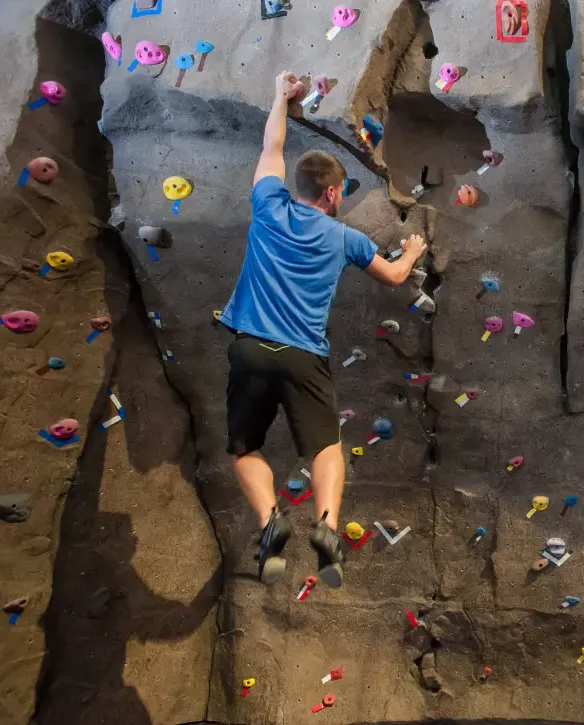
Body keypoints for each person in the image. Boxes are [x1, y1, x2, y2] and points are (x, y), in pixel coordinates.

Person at [218, 71, 427, 588]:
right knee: (326, 448)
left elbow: (273, 144)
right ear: (332, 193)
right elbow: (396, 277)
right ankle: (327, 528)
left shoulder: (267, 206)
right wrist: (415, 250)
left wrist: (279, 96)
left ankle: (270, 522)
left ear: (299, 187)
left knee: (245, 450)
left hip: (249, 348)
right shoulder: (345, 238)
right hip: (302, 357)